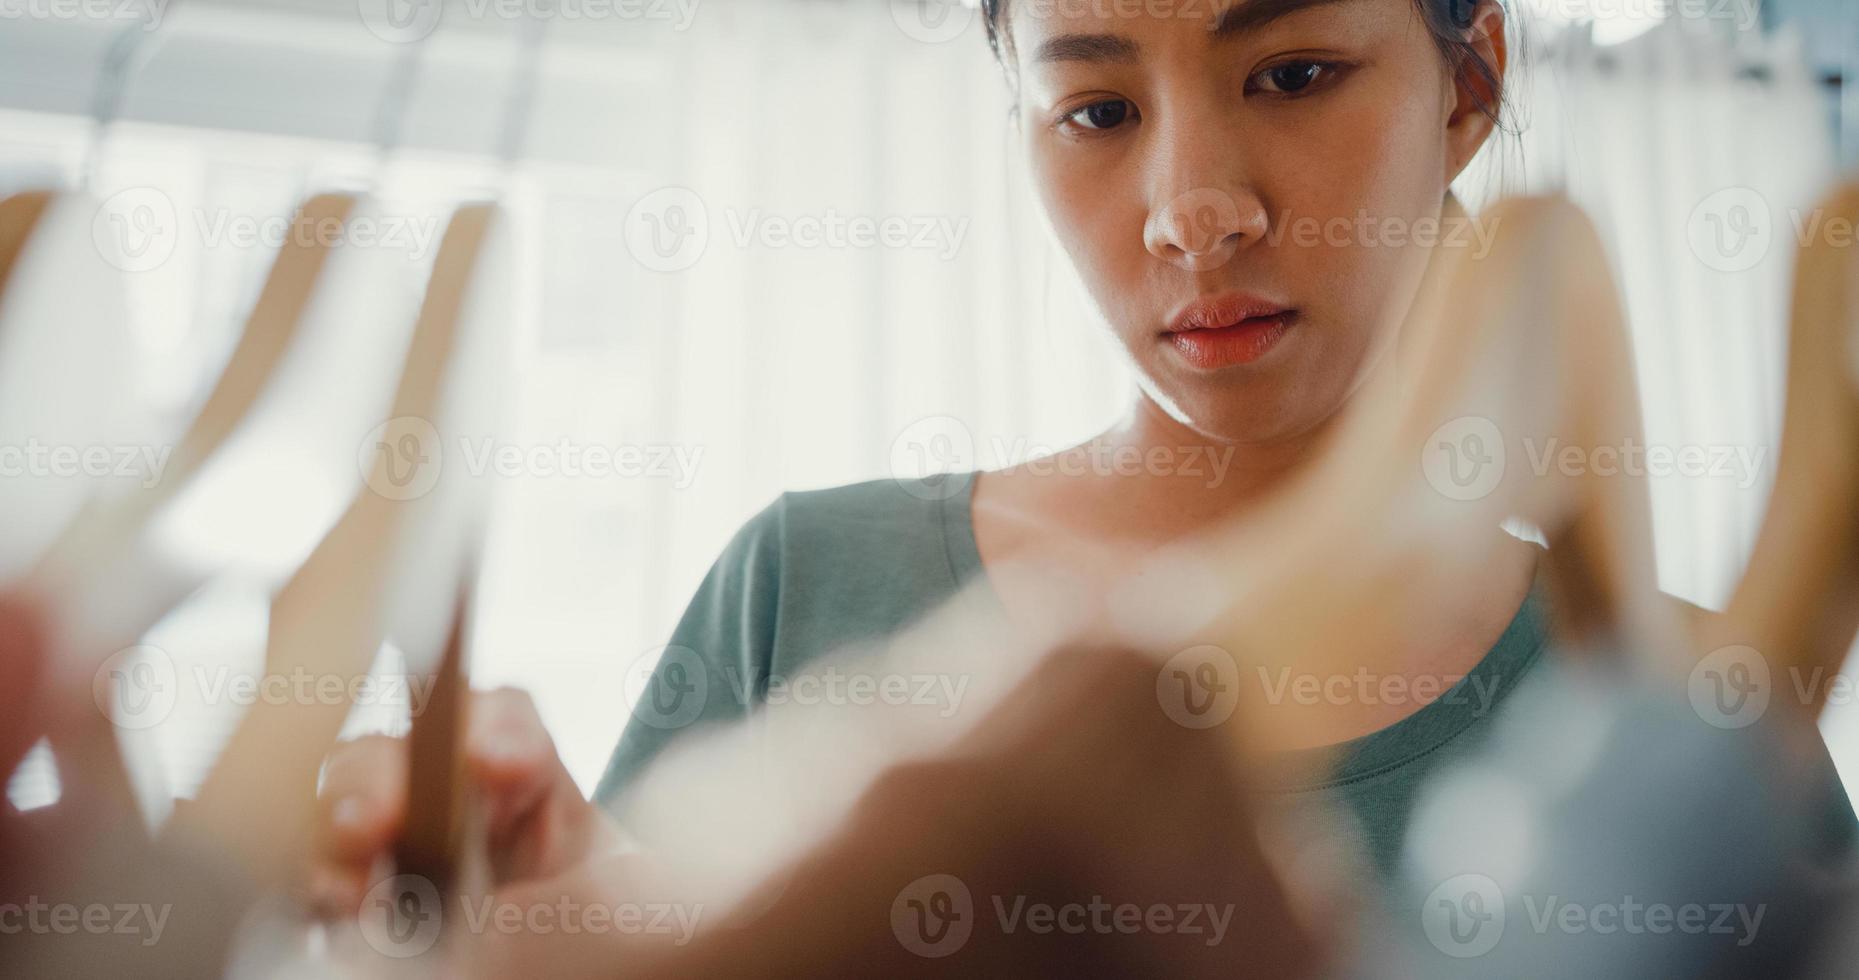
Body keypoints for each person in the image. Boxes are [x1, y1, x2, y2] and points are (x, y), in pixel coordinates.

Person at [308, 0, 1855, 944]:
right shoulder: (803, 585)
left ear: (1469, 84)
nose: (1194, 210)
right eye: (1098, 109)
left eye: (1297, 72)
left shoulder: (1702, 703)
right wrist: (572, 898)